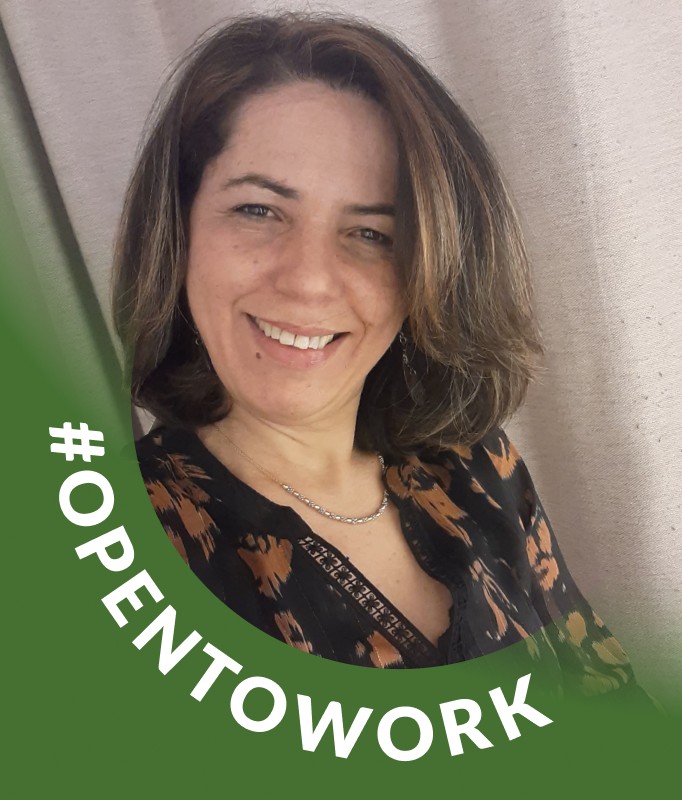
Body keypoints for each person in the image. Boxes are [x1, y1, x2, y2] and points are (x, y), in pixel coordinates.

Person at [113, 12, 650, 702]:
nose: (309, 280)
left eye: (370, 233)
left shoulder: (476, 465)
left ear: (429, 270)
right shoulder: (119, 548)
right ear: (179, 229)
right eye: (258, 210)